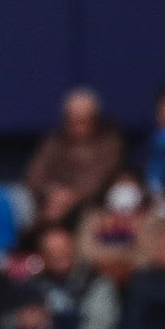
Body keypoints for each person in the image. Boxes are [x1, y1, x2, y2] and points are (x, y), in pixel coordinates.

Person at [25, 89, 125, 227]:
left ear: (95, 119)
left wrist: (71, 196)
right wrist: (54, 192)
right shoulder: (54, 142)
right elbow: (35, 176)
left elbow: (100, 178)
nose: (78, 127)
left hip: (94, 205)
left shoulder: (109, 143)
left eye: (84, 121)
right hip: (51, 201)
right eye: (73, 120)